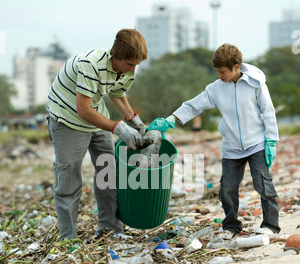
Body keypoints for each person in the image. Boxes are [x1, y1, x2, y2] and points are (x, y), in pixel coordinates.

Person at [168, 43, 281, 237]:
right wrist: (172, 119)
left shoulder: (256, 85)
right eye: (217, 72)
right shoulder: (216, 89)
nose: (219, 76)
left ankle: (270, 226)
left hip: (256, 143)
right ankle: (231, 226)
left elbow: (268, 112)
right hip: (231, 146)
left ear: (236, 67)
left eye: (222, 72)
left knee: (263, 185)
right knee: (227, 189)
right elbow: (195, 105)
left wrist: (271, 140)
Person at [47, 28, 149, 240]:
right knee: (69, 175)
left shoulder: (129, 68)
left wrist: (135, 122)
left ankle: (110, 229)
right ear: (116, 56)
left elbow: (118, 94)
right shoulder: (90, 65)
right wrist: (119, 128)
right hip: (67, 119)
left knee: (108, 172)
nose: (133, 69)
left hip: (96, 118)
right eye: (130, 64)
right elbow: (83, 110)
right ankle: (68, 238)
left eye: (136, 64)